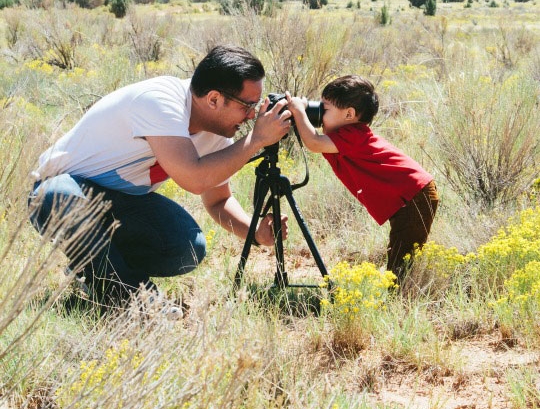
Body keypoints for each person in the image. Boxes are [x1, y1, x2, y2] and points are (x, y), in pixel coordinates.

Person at [29, 45, 292, 310]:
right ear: (213, 99)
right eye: (248, 105)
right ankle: (135, 300)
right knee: (57, 196)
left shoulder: (217, 133)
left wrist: (255, 232)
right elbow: (194, 178)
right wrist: (257, 139)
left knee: (188, 246)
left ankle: (95, 270)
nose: (252, 116)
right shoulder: (160, 100)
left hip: (120, 203)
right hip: (63, 190)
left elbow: (218, 200)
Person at [286, 75, 438, 280]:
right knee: (401, 251)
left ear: (349, 114)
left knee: (402, 256)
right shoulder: (348, 134)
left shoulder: (352, 134)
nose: (320, 113)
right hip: (410, 195)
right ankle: (399, 292)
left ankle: (399, 299)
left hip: (414, 196)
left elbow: (314, 142)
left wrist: (299, 110)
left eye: (325, 108)